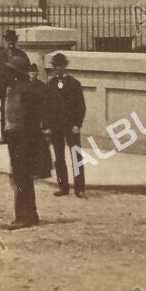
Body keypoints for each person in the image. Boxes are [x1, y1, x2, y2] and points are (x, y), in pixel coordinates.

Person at [1, 55, 44, 230]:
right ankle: (31, 214)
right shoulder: (14, 88)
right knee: (22, 177)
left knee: (20, 177)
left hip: (23, 138)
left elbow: (31, 118)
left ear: (16, 73)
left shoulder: (24, 90)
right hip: (16, 137)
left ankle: (23, 216)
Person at [44, 52, 87, 198]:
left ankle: (79, 188)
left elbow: (81, 106)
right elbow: (47, 107)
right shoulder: (50, 84)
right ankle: (63, 187)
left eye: (60, 65)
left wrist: (77, 124)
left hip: (71, 126)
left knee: (76, 156)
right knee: (59, 157)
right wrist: (48, 126)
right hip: (56, 127)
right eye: (55, 66)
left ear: (65, 66)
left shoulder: (74, 84)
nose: (58, 68)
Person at [0, 29, 30, 145]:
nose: (11, 42)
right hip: (4, 87)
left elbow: (27, 70)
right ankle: (5, 136)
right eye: (8, 40)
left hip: (18, 88)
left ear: (16, 40)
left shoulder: (21, 55)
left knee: (18, 110)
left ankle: (18, 135)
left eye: (13, 40)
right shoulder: (1, 55)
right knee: (4, 112)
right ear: (6, 40)